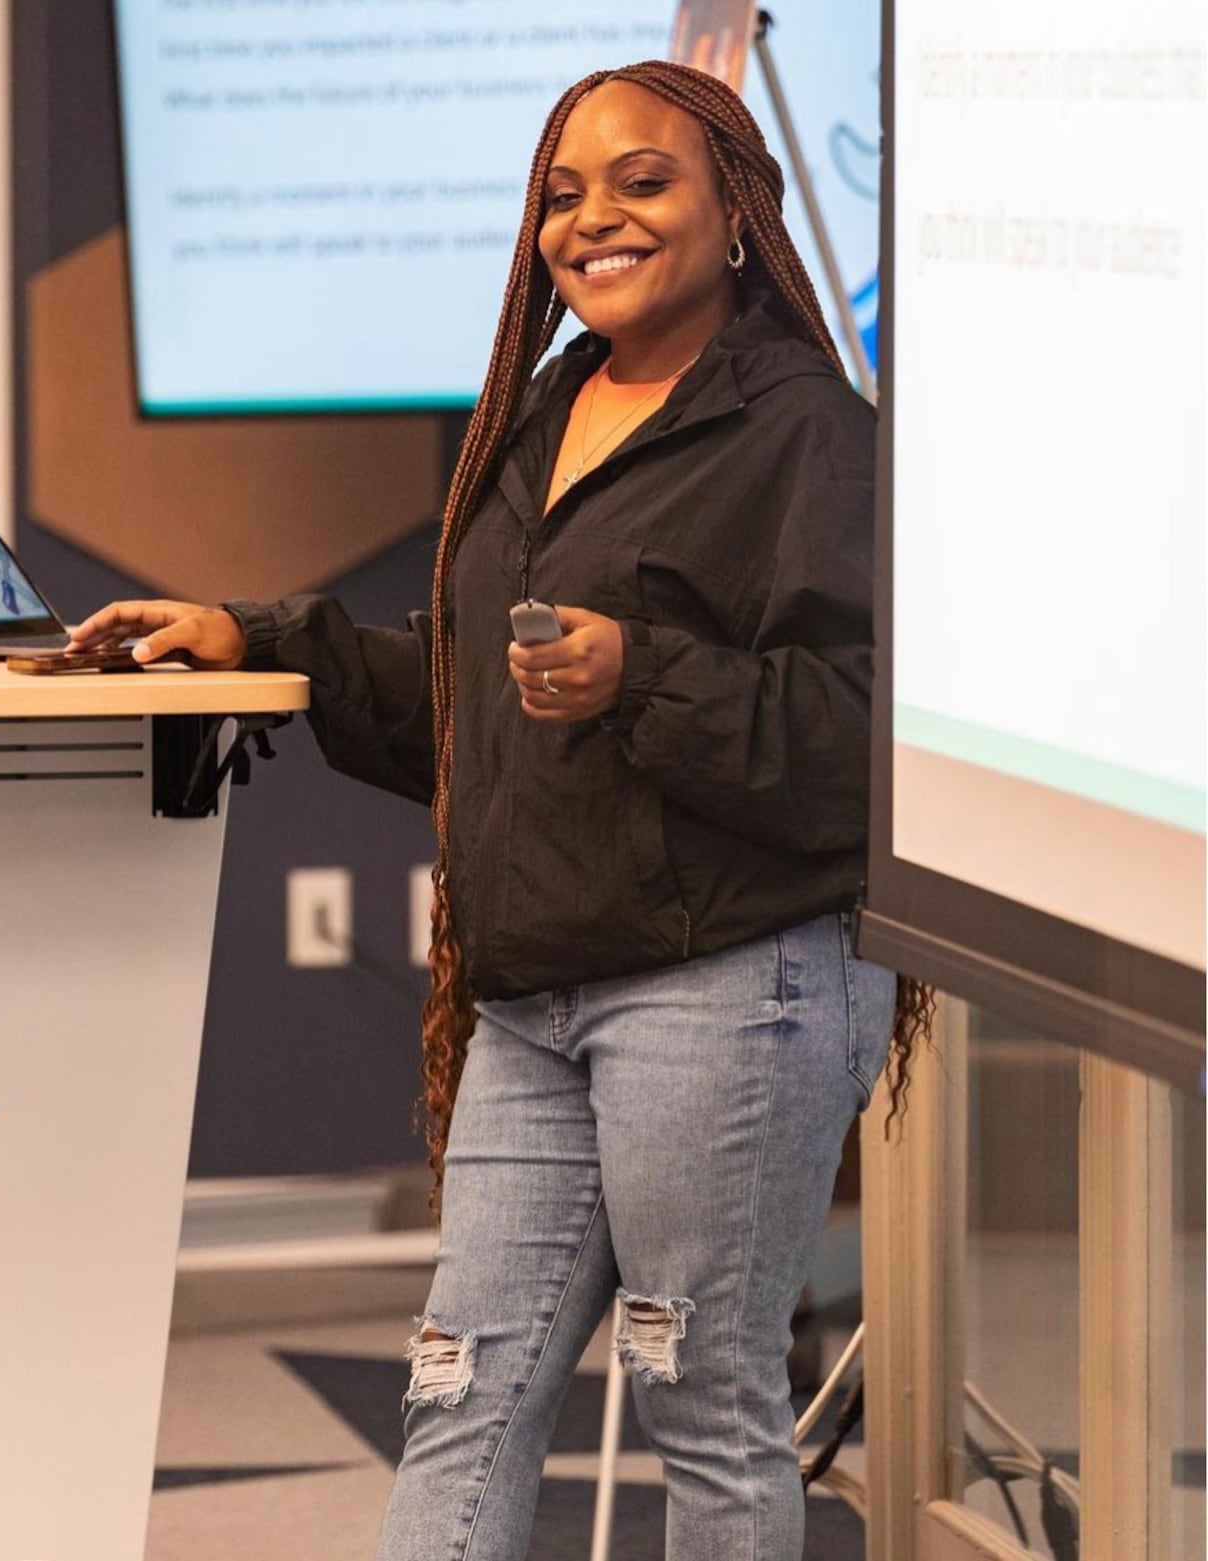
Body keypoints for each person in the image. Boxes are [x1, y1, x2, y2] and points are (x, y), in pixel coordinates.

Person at [70, 59, 931, 1561]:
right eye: (561, 194)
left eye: (641, 183)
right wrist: (259, 634)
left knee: (703, 1400)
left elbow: (868, 740)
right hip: (535, 998)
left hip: (728, 988)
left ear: (737, 207)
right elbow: (480, 713)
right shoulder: (540, 415)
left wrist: (636, 675)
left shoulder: (807, 431)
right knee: (462, 1387)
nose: (591, 219)